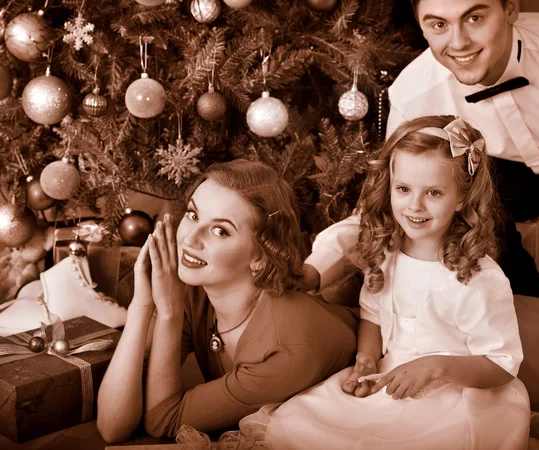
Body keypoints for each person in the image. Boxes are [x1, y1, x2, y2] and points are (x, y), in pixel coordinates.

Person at [235, 115, 531, 449]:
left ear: (462, 197)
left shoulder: (479, 277)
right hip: (391, 378)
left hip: (458, 393)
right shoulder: (387, 250)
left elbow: (502, 365)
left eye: (433, 192)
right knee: (302, 422)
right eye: (403, 189)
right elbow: (373, 316)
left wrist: (437, 368)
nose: (415, 205)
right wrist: (366, 360)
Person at [304, 0, 539, 305]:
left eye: (474, 18)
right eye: (439, 24)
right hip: (495, 176)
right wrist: (317, 268)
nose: (458, 43)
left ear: (510, 9)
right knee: (491, 265)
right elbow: (384, 205)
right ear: (421, 26)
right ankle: (524, 311)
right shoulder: (413, 94)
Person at [96, 159, 358, 443]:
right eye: (194, 215)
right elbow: (112, 426)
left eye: (220, 230)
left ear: (259, 256)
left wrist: (169, 313)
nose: (191, 239)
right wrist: (141, 306)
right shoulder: (195, 289)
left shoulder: (288, 347)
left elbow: (163, 420)